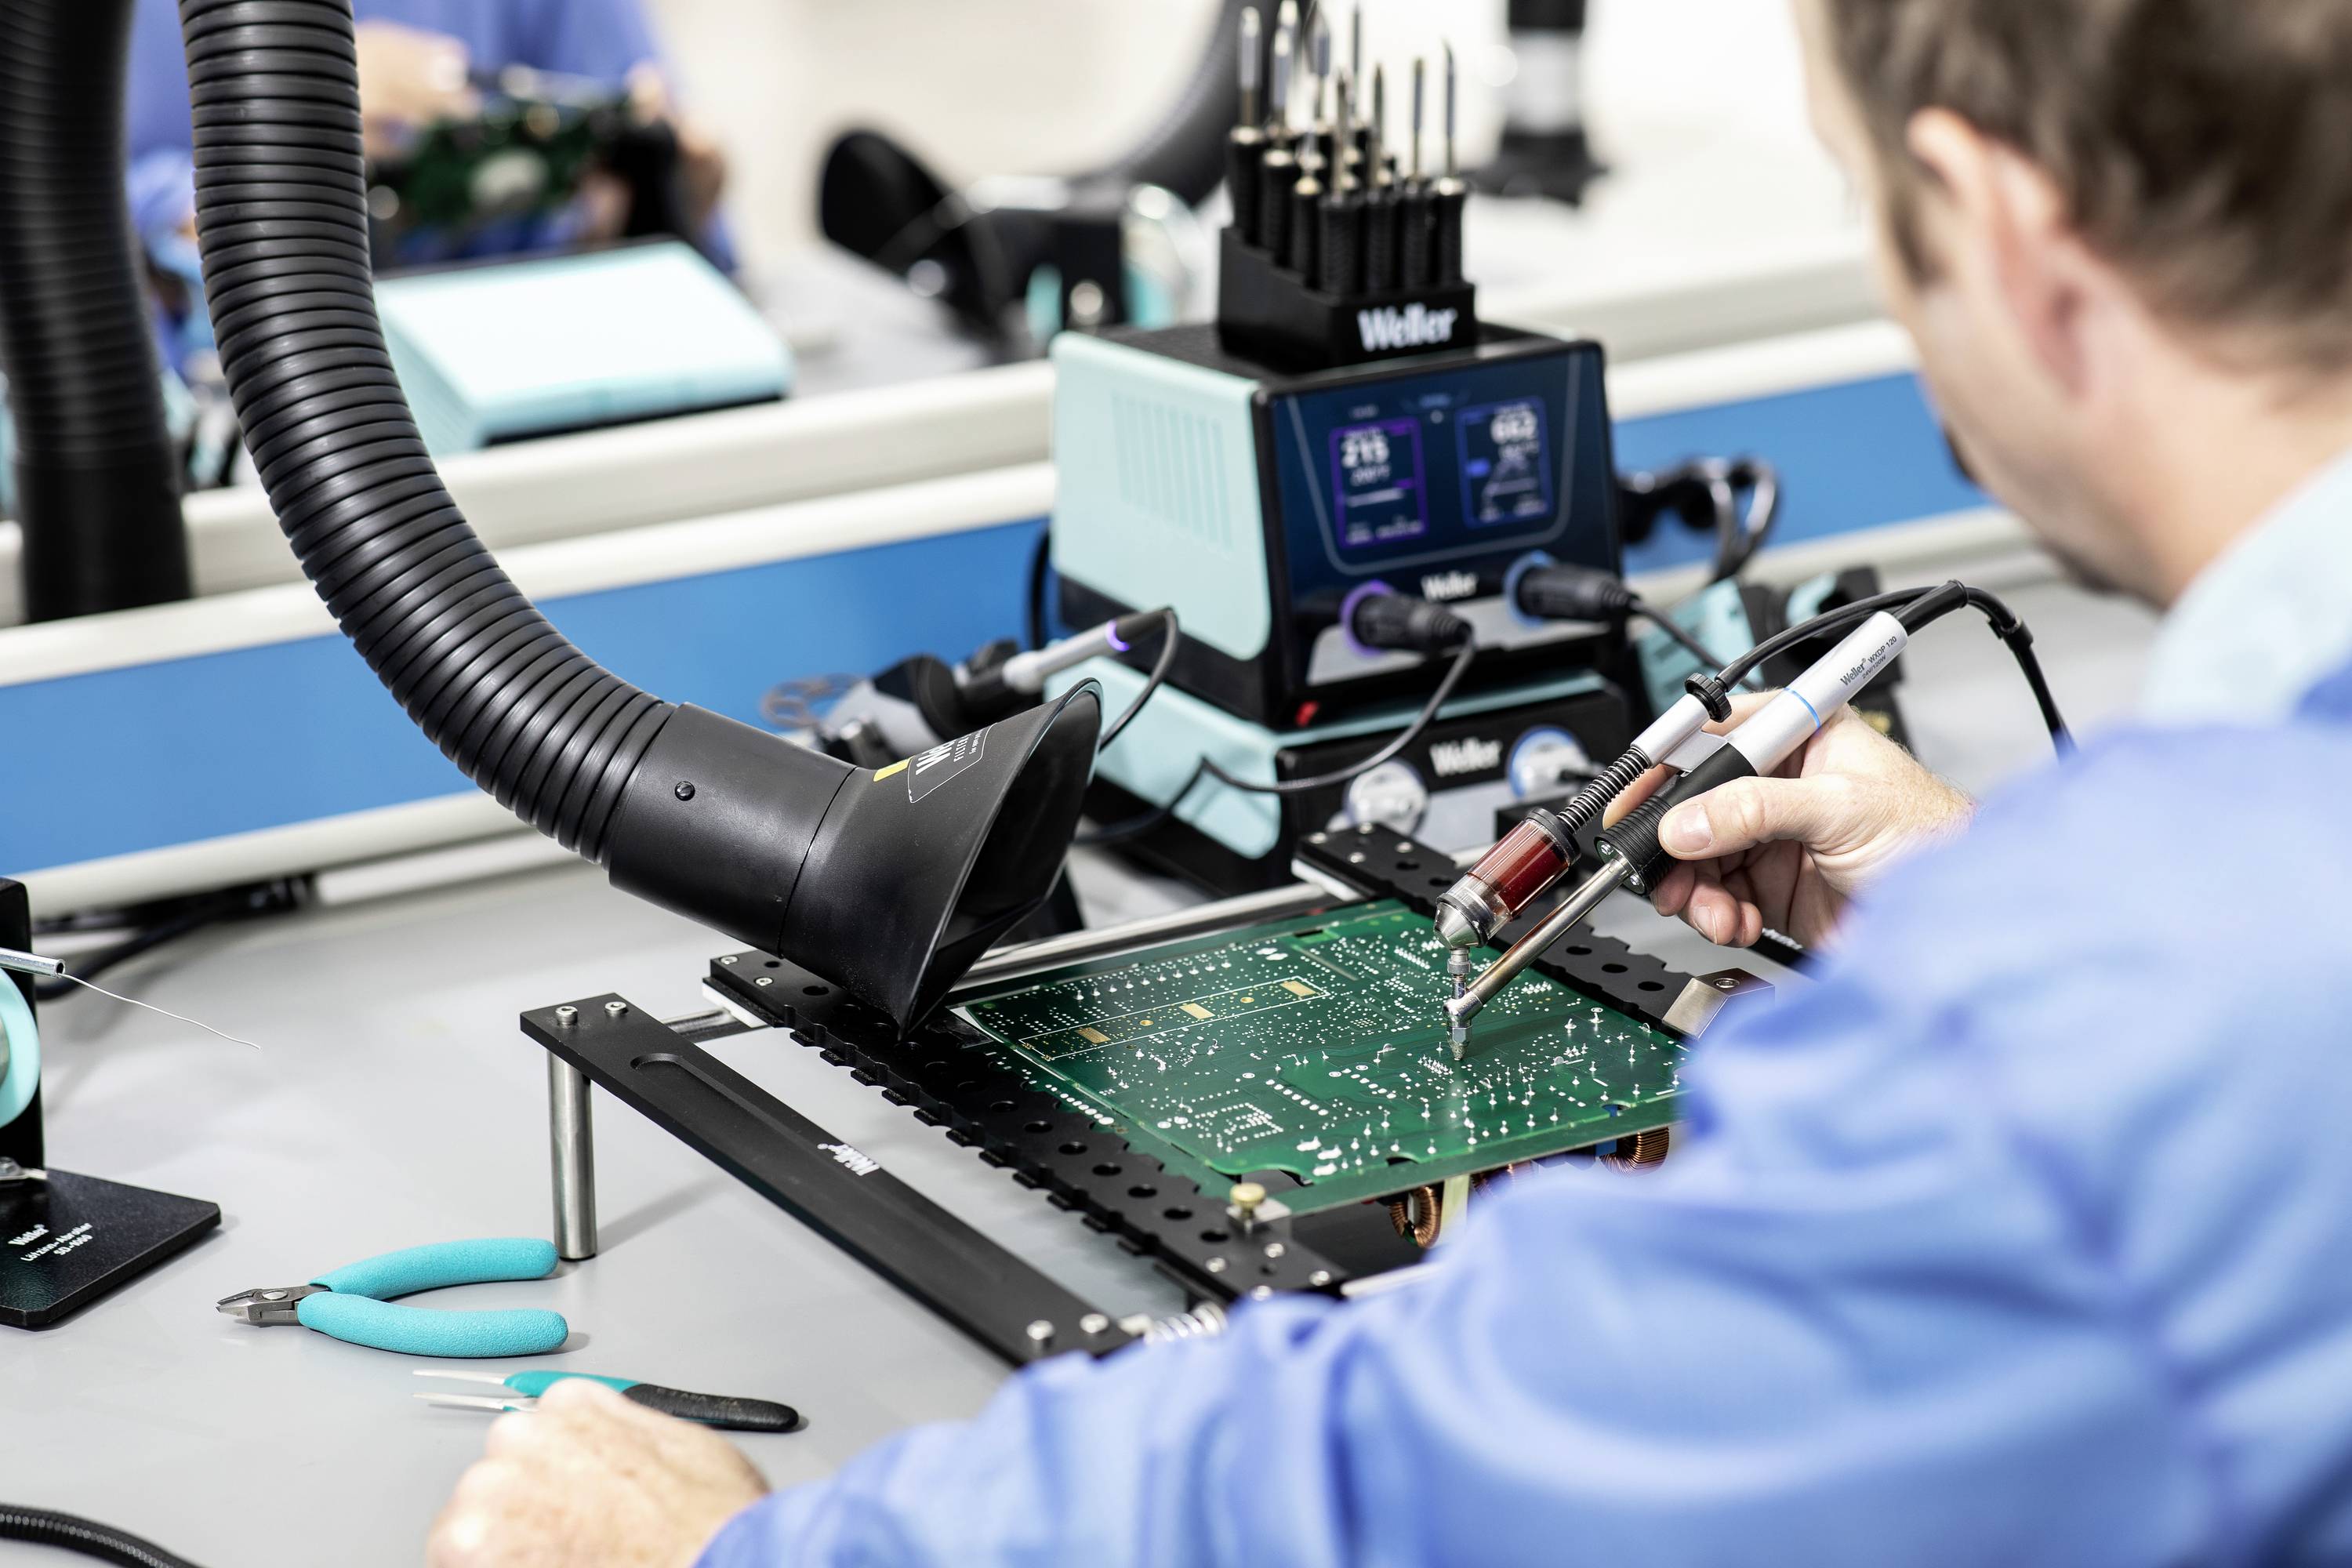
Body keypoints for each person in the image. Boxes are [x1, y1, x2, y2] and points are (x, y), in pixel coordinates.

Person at [427, 0, 2352, 1561]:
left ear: (1992, 221)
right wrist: (1993, 900)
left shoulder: (2137, 1042)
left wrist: (740, 1557)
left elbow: (1473, 1467)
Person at [127, 0, 731, 368]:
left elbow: (693, 218)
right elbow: (65, 251)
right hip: (240, 442)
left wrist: (671, 194)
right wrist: (280, 152)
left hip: (551, 396)